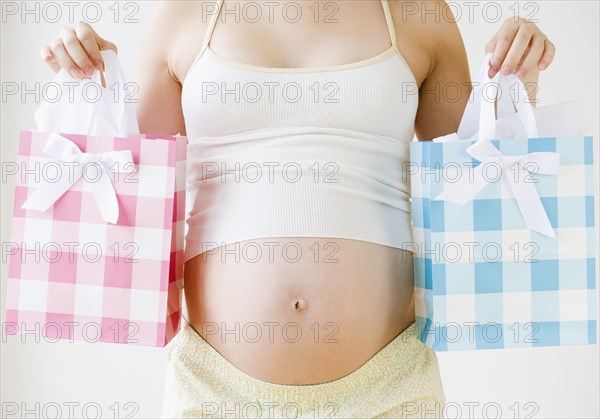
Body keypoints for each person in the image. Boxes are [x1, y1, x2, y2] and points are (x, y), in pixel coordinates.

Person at [41, 1, 554, 417]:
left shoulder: (418, 12)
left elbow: (476, 174)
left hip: (389, 390)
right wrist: (95, 90)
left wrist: (515, 83)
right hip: (215, 392)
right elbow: (133, 188)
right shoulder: (183, 13)